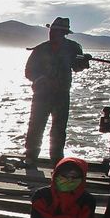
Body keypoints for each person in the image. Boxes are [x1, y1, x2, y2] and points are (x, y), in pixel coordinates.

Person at [23, 17, 90, 167]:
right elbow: (28, 71)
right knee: (35, 126)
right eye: (52, 31)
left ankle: (57, 160)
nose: (53, 34)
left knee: (59, 129)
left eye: (57, 31)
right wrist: (40, 79)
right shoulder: (40, 49)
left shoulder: (73, 48)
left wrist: (84, 62)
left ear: (64, 33)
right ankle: (30, 157)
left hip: (62, 95)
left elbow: (77, 67)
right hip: (41, 95)